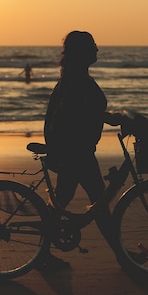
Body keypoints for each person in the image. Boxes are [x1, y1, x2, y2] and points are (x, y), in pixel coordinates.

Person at [40, 30, 123, 271]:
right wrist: (109, 118)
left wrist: (107, 117)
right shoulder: (76, 80)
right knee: (98, 204)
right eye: (92, 46)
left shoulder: (74, 77)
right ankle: (123, 258)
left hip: (75, 149)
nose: (97, 49)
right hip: (75, 152)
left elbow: (83, 111)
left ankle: (43, 253)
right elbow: (81, 112)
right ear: (82, 51)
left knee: (78, 202)